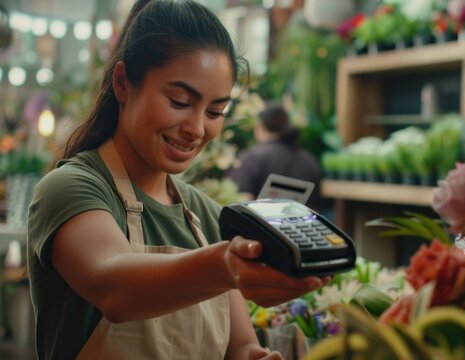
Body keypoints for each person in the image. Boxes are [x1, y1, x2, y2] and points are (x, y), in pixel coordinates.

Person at [27, 1, 327, 359]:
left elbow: (241, 346)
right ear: (123, 84)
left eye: (215, 111)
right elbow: (115, 288)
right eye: (180, 101)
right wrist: (225, 265)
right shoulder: (72, 188)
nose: (197, 129)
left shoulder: (208, 216)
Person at [226, 102, 323, 209]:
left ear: (260, 126)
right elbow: (316, 207)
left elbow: (238, 202)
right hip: (300, 224)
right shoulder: (309, 161)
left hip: (257, 225)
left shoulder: (251, 158)